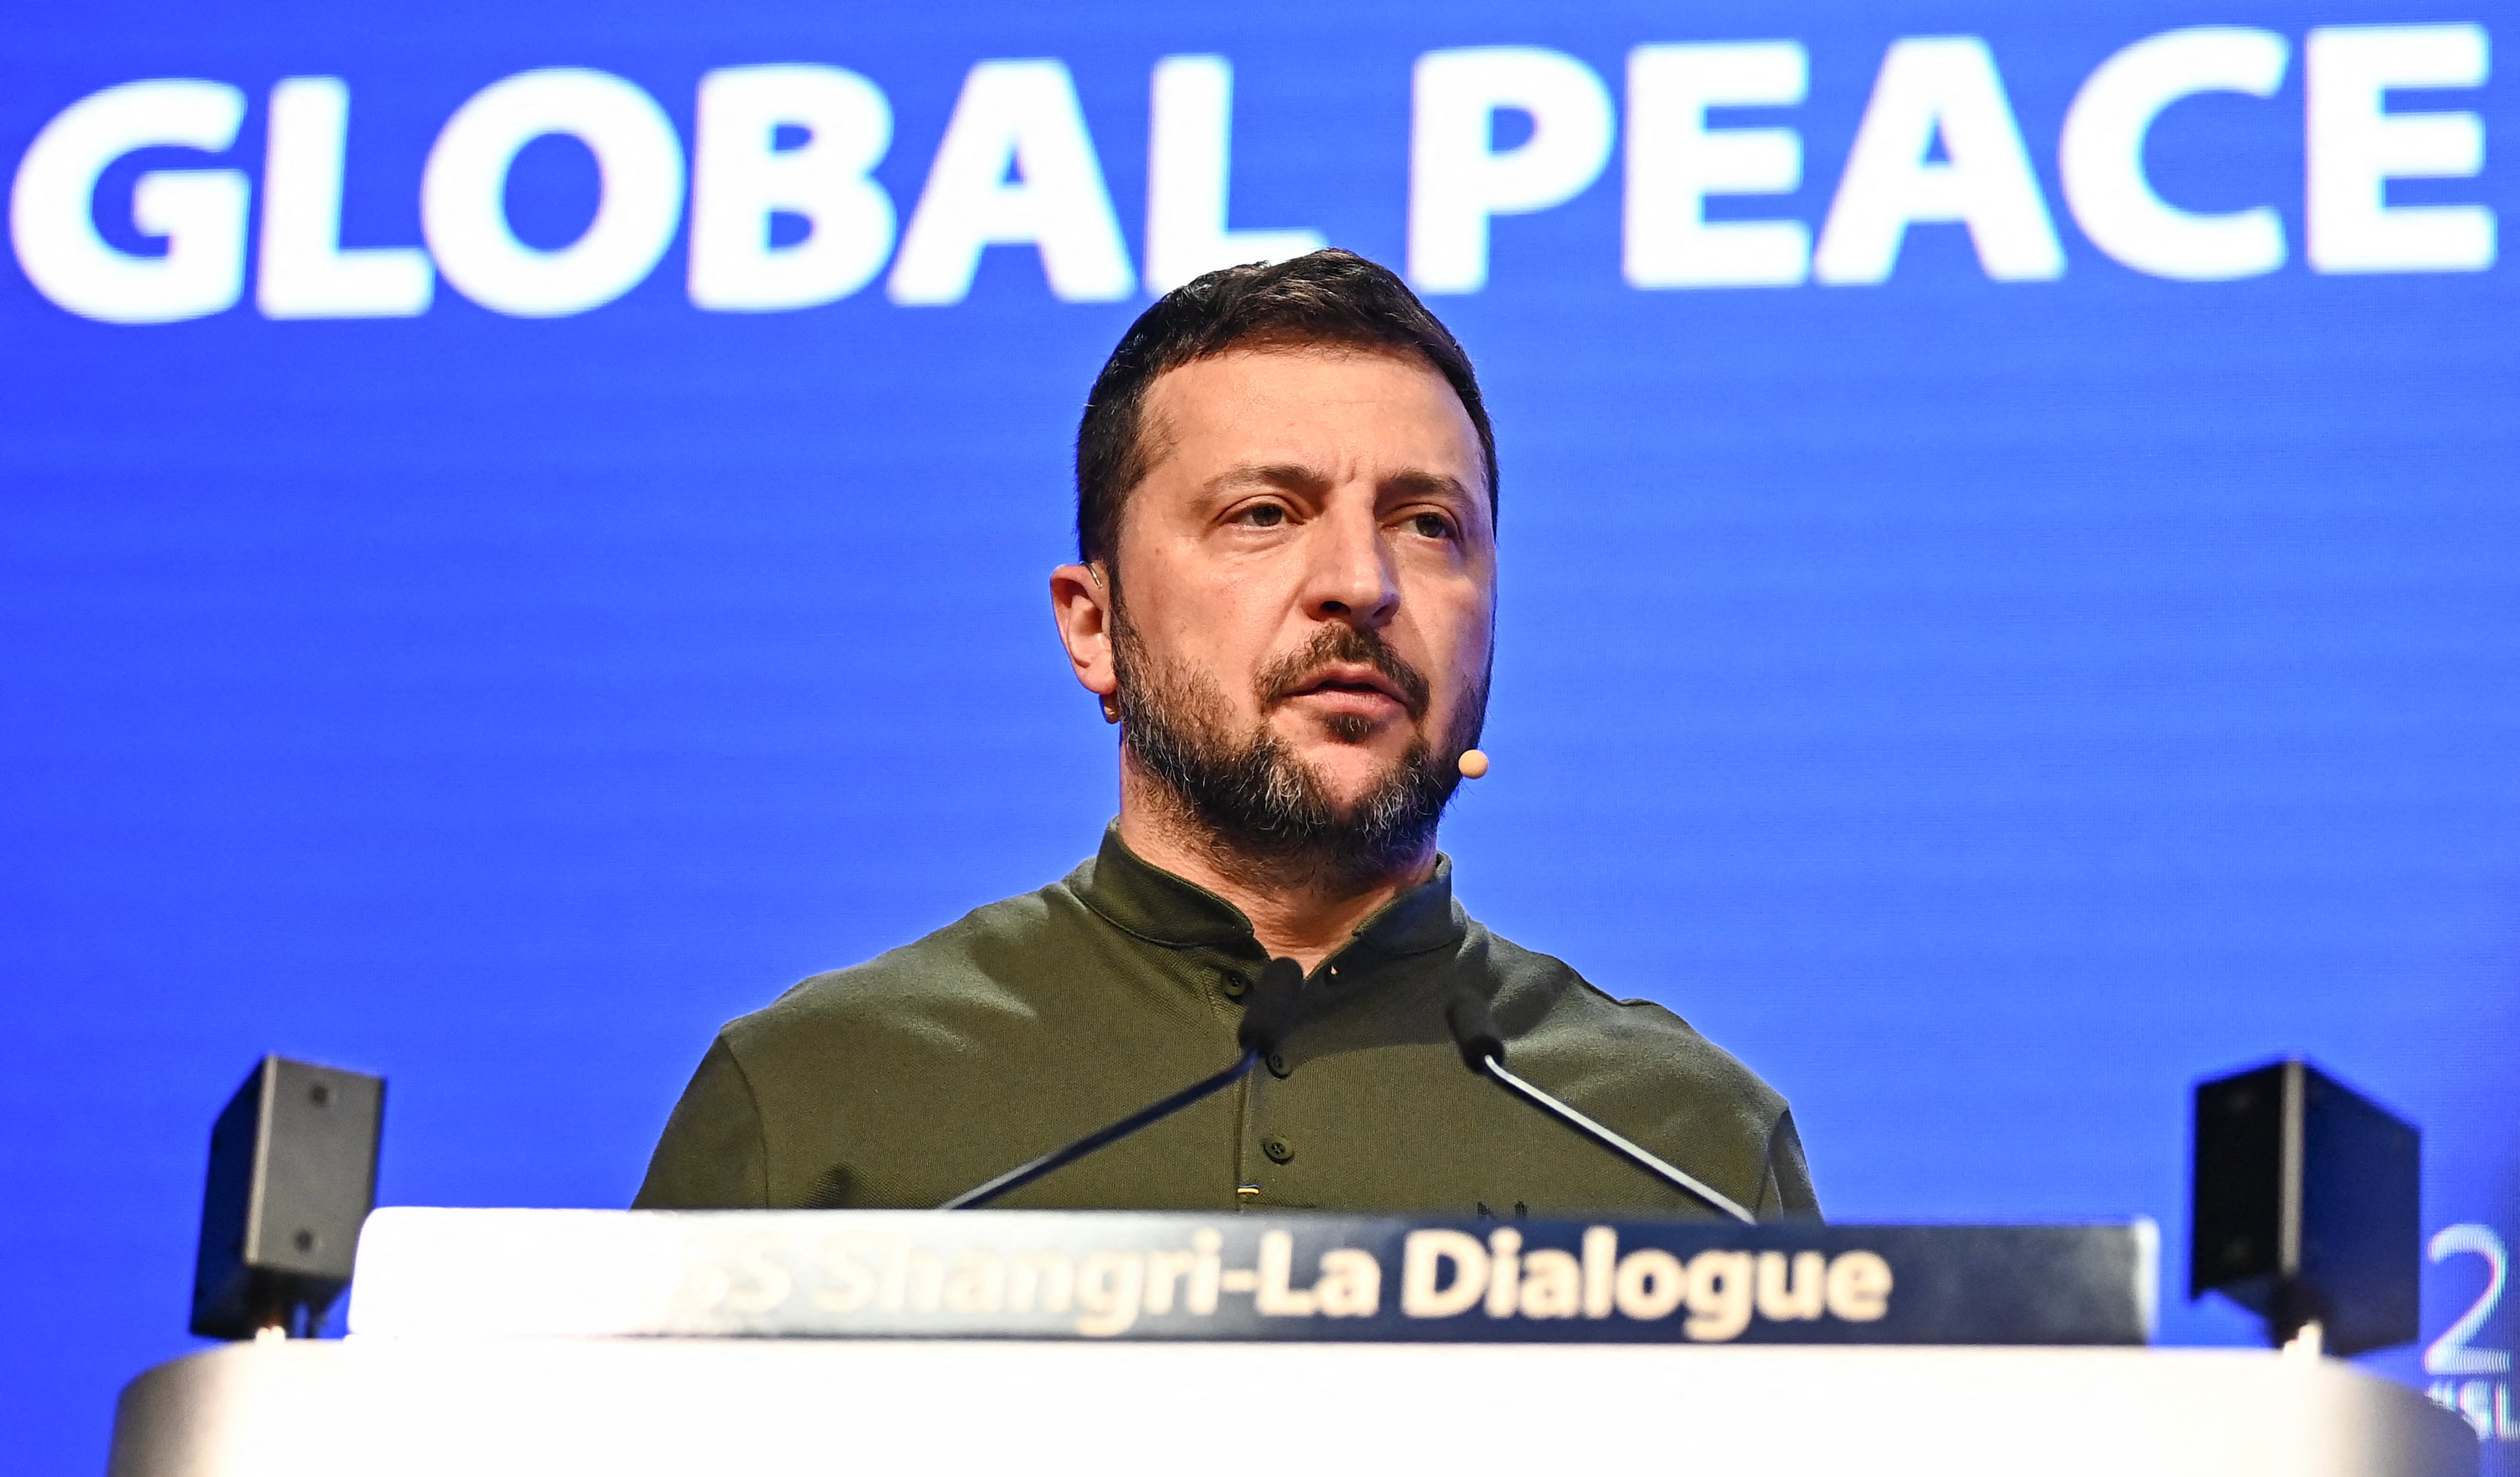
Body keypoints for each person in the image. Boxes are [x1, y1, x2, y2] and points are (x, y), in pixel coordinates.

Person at [636, 250, 1816, 1218]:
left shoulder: (1686, 1149)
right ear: (1094, 626)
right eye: (1264, 513)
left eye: (1426, 523)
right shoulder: (819, 1104)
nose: (1360, 582)